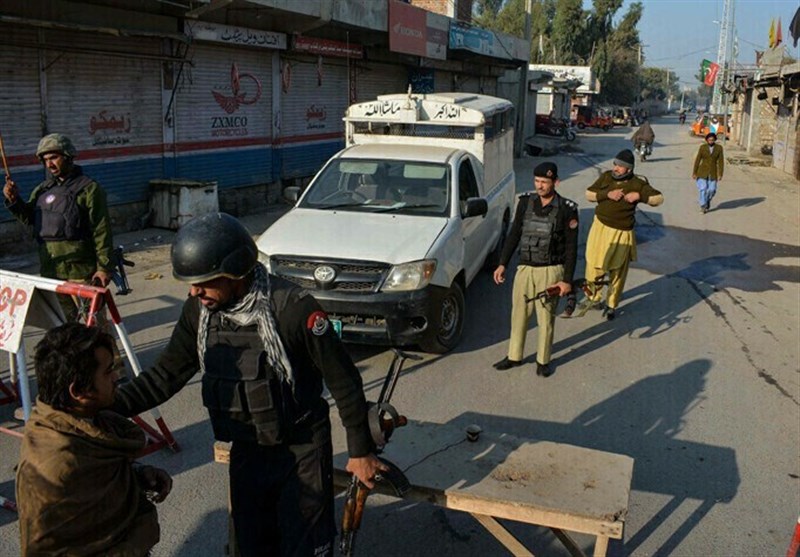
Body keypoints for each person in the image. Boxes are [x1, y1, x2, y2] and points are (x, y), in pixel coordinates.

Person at [110, 212, 386, 557]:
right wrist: (99, 408)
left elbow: (343, 380)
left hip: (301, 449)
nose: (195, 291)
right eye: (191, 282)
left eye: (205, 281)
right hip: (247, 451)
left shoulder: (293, 310)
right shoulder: (200, 313)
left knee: (304, 548)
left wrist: (360, 451)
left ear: (237, 271)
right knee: (250, 548)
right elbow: (164, 376)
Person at [16, 322, 172, 556]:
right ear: (78, 391)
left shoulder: (84, 423)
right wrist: (139, 538)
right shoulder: (54, 468)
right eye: (108, 371)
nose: (117, 377)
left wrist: (137, 475)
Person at [3, 133, 114, 320]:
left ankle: (108, 350)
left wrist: (103, 267)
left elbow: (101, 229)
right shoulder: (43, 190)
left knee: (93, 324)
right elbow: (31, 218)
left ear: (68, 156)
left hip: (81, 272)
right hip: (51, 271)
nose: (49, 164)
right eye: (45, 160)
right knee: (65, 324)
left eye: (54, 157)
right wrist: (14, 200)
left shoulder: (89, 189)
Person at [492, 162, 579, 378]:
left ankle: (543, 360)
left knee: (546, 317)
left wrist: (567, 280)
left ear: (555, 182)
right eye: (537, 181)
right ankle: (514, 355)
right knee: (519, 313)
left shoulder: (567, 209)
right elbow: (513, 235)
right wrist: (502, 263)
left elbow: (571, 248)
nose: (540, 186)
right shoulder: (525, 203)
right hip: (525, 268)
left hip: (550, 271)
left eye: (545, 182)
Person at [580, 149, 664, 321]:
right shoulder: (606, 177)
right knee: (594, 265)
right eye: (615, 164)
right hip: (600, 228)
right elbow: (589, 194)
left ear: (629, 169)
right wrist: (606, 194)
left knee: (617, 271)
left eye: (620, 166)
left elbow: (658, 198)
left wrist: (639, 196)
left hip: (622, 233)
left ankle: (611, 304)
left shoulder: (637, 183)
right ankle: (593, 298)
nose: (616, 168)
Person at [692, 132, 724, 213]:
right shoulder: (702, 147)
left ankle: (707, 200)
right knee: (703, 189)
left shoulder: (719, 148)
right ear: (706, 140)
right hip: (702, 171)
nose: (711, 141)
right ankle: (703, 206)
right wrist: (694, 172)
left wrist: (720, 174)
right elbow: (698, 160)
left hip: (713, 172)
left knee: (712, 190)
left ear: (715, 140)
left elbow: (721, 162)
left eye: (712, 140)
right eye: (709, 140)